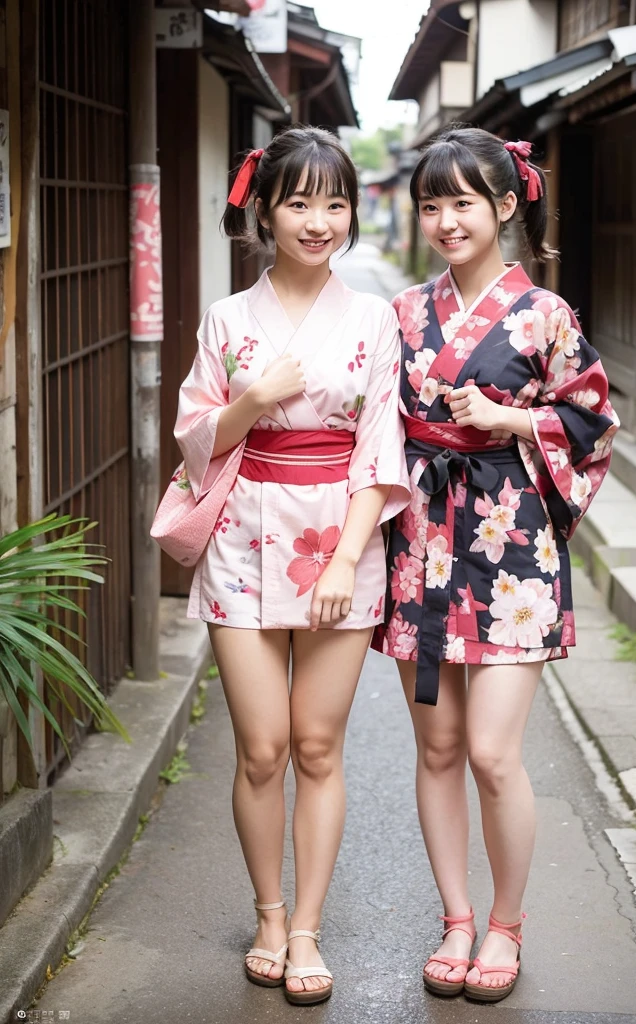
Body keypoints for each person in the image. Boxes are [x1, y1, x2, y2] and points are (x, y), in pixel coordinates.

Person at [373, 126, 618, 1004]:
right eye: (431, 203)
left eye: (463, 202)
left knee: (490, 751)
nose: (445, 219)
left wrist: (511, 421)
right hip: (425, 541)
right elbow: (373, 430)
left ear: (506, 207)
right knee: (436, 746)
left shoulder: (546, 314)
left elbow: (593, 421)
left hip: (511, 543)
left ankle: (506, 925)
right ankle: (455, 917)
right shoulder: (402, 313)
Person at [171, 126, 410, 1007]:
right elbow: (197, 443)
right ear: (263, 210)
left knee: (317, 745)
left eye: (335, 202)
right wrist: (251, 401)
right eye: (300, 202)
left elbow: (381, 449)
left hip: (339, 541)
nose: (319, 221)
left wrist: (349, 557)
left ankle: (306, 925)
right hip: (241, 537)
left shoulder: (374, 319)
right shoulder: (229, 321)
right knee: (263, 747)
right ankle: (266, 911)